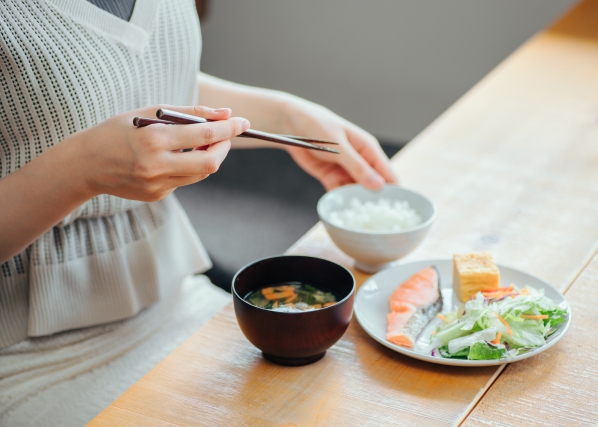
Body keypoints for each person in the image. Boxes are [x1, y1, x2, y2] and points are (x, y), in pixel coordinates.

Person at [0, 0, 396, 425]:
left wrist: (287, 116)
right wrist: (80, 171)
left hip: (172, 295)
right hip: (26, 354)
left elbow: (122, 74)